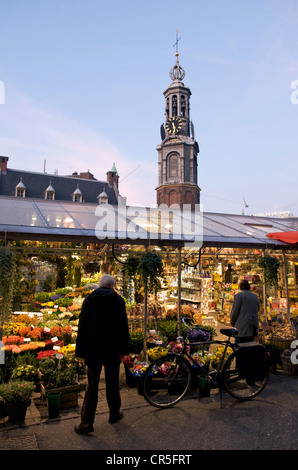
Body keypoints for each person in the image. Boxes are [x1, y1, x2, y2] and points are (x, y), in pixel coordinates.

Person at [74, 274, 129, 434]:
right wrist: (122, 351)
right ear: (112, 286)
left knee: (92, 385)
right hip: (112, 350)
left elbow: (82, 325)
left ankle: (86, 423)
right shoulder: (118, 301)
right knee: (112, 383)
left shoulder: (90, 299)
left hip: (93, 350)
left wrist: (82, 351)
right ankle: (114, 414)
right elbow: (123, 327)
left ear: (99, 285)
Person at [230, 279, 260, 344]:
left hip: (242, 327)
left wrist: (232, 321)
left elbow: (235, 311)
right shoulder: (255, 296)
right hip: (253, 327)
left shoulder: (238, 295)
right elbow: (258, 309)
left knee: (239, 348)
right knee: (250, 347)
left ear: (240, 286)